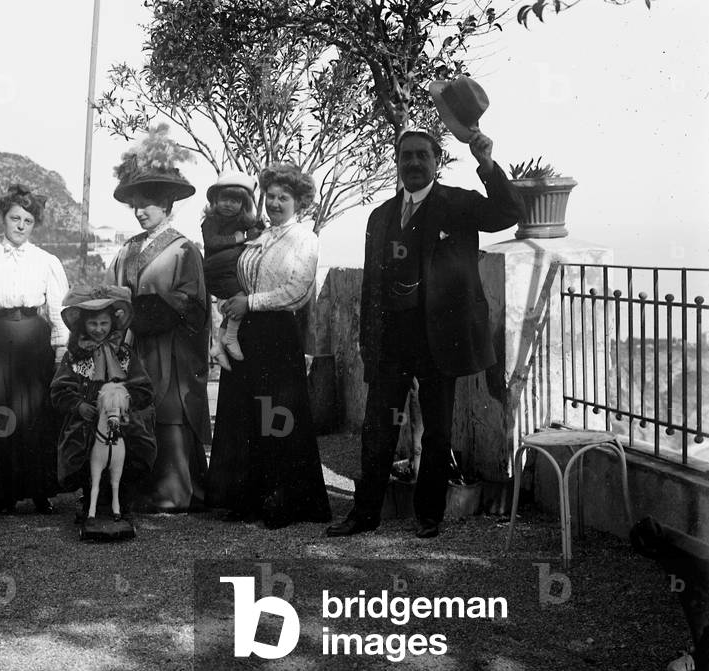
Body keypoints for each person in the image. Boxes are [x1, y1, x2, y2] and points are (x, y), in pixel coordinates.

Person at [326, 121, 523, 539]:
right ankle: (364, 515)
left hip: (440, 340)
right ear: (397, 163)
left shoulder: (458, 204)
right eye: (406, 156)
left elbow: (508, 213)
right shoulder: (380, 217)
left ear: (437, 161)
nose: (413, 162)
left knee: (437, 431)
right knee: (377, 428)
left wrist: (487, 164)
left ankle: (428, 516)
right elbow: (371, 287)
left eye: (422, 155)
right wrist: (368, 342)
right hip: (392, 341)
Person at [206, 163, 332, 529]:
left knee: (277, 414)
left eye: (284, 197)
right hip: (246, 331)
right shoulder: (258, 236)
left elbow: (297, 291)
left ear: (300, 202)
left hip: (277, 333)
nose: (275, 203)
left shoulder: (305, 239)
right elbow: (236, 276)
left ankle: (284, 497)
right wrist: (234, 302)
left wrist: (251, 302)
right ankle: (245, 495)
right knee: (244, 411)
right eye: (271, 196)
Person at [107, 126, 210, 511]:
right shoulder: (126, 249)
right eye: (135, 203)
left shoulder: (185, 249)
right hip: (133, 346)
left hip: (169, 349)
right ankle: (135, 488)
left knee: (167, 409)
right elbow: (112, 294)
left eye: (148, 203)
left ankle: (173, 491)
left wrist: (144, 309)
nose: (139, 211)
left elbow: (191, 302)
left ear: (167, 204)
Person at [0, 184, 69, 516]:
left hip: (35, 343)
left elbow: (57, 310)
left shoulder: (47, 261)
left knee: (36, 416)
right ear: (3, 219)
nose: (21, 225)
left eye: (28, 220)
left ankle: (39, 490)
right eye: (15, 218)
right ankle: (2, 492)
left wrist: (60, 350)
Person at [50, 285, 156, 518]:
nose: (99, 330)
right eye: (93, 324)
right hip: (88, 419)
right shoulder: (75, 356)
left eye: (104, 324)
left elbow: (143, 388)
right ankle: (90, 499)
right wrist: (78, 405)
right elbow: (59, 390)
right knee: (80, 447)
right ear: (83, 326)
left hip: (121, 417)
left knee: (136, 443)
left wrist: (126, 401)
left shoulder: (124, 353)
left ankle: (123, 501)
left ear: (113, 324)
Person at [201, 171, 264, 369]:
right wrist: (237, 239)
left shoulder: (242, 220)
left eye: (235, 201)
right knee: (239, 297)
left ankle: (219, 345)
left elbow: (258, 230)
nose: (229, 204)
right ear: (215, 201)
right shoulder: (210, 221)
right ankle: (229, 337)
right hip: (216, 271)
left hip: (231, 271)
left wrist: (258, 230)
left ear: (243, 205)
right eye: (224, 199)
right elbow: (211, 241)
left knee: (242, 296)